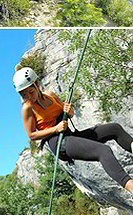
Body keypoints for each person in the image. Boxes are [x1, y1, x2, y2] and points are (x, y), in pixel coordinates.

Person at [13, 67, 133, 195]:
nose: (28, 97)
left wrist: (70, 112)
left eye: (30, 92)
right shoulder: (27, 108)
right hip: (59, 143)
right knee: (103, 150)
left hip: (71, 135)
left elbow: (68, 113)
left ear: (36, 84)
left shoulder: (51, 96)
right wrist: (55, 129)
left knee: (114, 128)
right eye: (23, 94)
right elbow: (31, 135)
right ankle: (131, 186)